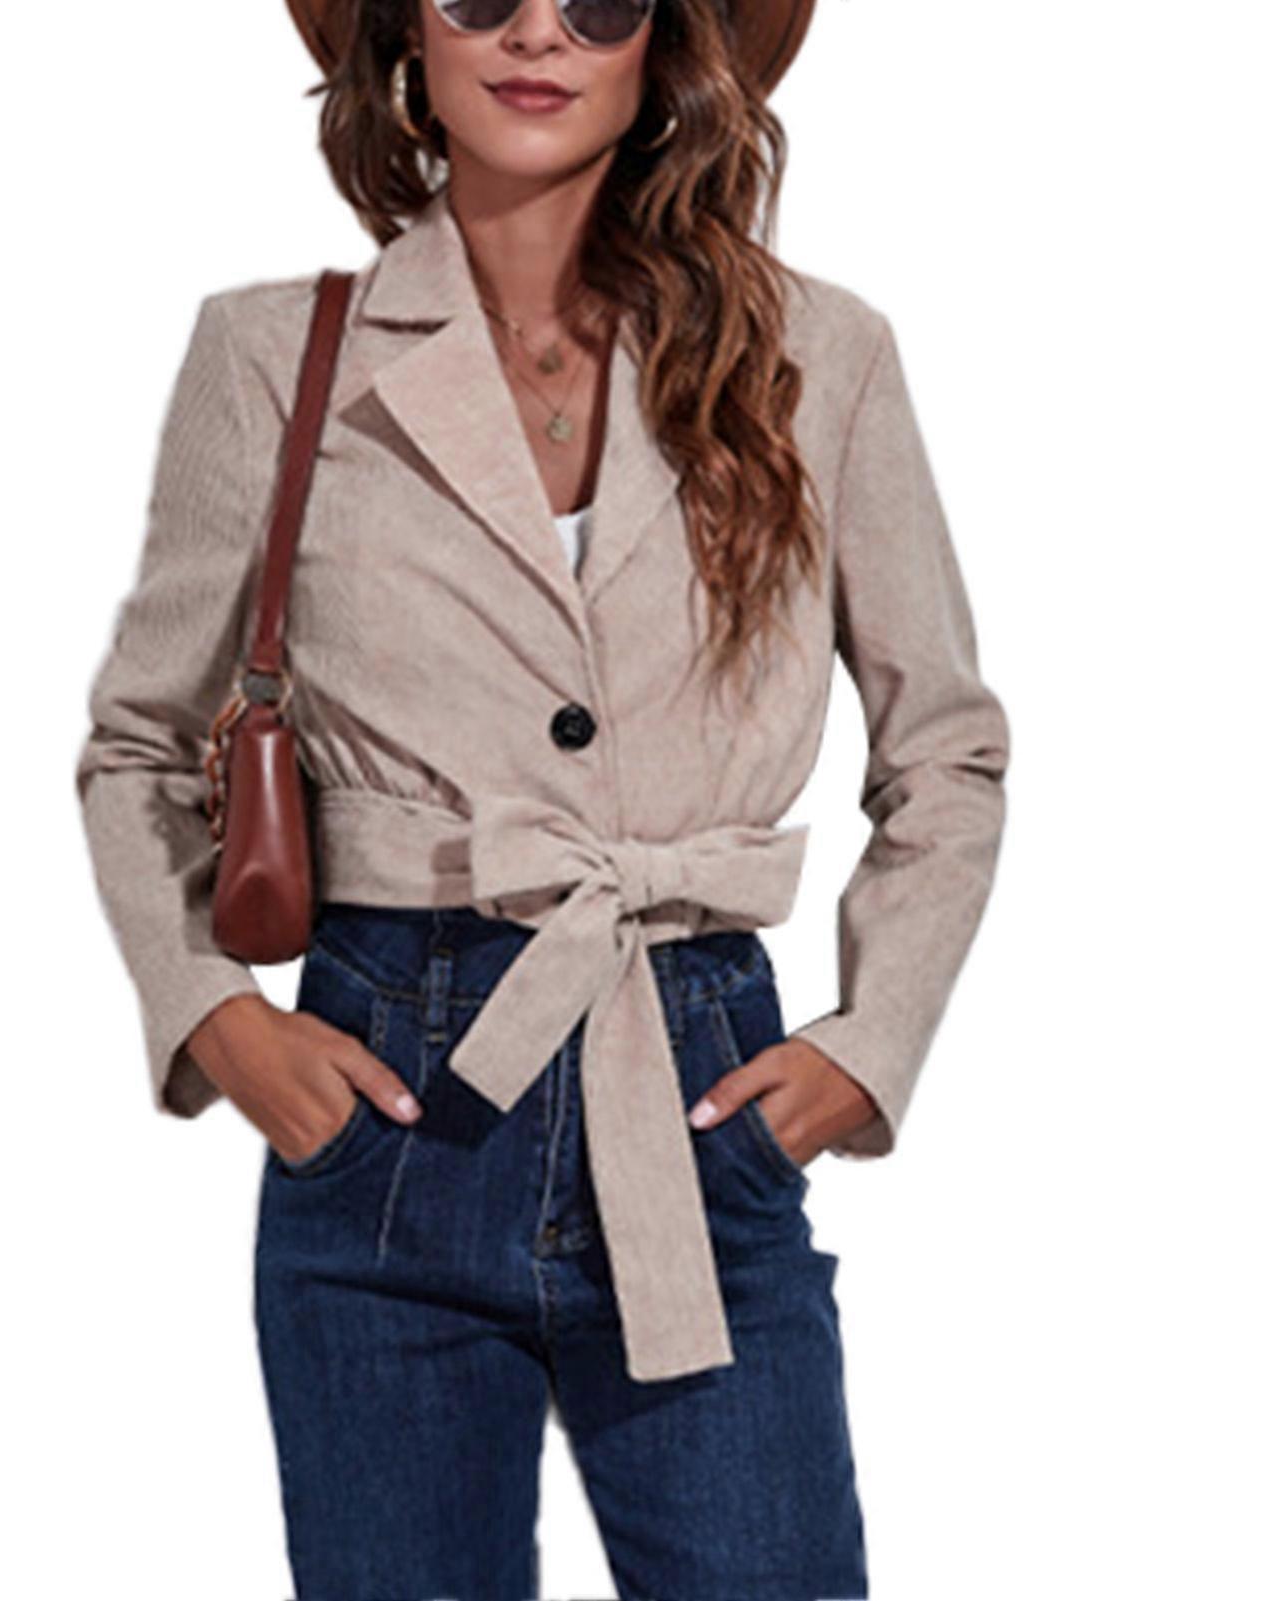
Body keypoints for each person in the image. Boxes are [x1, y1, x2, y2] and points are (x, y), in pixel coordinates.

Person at [74, 1, 1010, 1595]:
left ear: (662, 49)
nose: (536, 34)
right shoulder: (275, 351)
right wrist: (217, 1021)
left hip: (694, 1083)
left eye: (598, 3)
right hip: (385, 1116)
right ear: (404, 38)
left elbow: (947, 751)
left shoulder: (817, 355)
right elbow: (138, 744)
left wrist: (870, 1044)